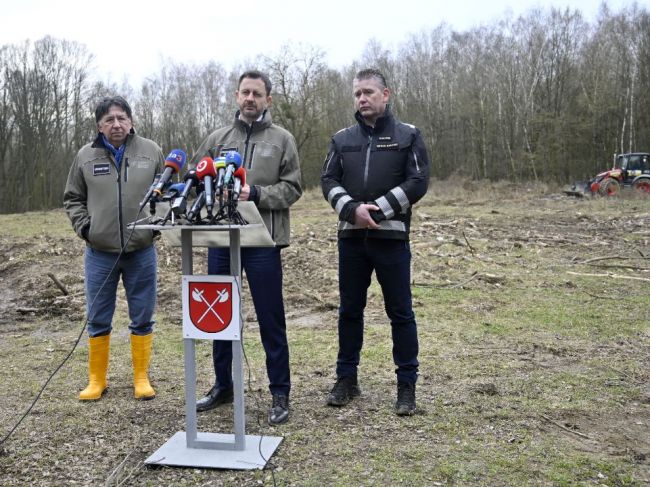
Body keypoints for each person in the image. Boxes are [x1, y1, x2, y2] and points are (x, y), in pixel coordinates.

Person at [192, 70, 302, 425]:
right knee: (218, 316)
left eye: (257, 93)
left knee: (271, 317)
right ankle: (223, 385)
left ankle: (280, 392)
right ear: (236, 97)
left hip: (263, 241)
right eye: (245, 93)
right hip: (221, 239)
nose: (250, 98)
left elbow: (292, 188)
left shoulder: (282, 139)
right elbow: (194, 180)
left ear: (268, 99)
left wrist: (254, 194)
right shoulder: (217, 138)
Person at [320, 68, 429, 416]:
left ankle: (406, 385)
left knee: (400, 312)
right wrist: (352, 210)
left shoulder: (408, 136)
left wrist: (378, 211)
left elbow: (418, 182)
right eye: (357, 94)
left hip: (392, 240)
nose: (362, 99)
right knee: (350, 311)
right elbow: (327, 179)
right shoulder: (341, 139)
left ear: (386, 94)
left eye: (368, 92)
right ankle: (346, 378)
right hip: (351, 239)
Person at [64, 96, 164, 401]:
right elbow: (72, 198)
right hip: (100, 253)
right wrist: (85, 228)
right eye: (109, 119)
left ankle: (141, 377)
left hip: (141, 251)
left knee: (143, 315)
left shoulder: (151, 151)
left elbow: (169, 193)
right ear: (99, 126)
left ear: (131, 121)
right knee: (97, 317)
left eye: (121, 118)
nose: (116, 124)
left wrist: (157, 224)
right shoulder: (85, 156)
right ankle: (97, 380)